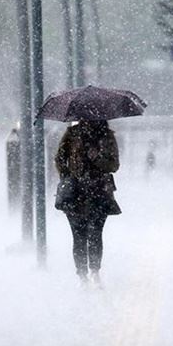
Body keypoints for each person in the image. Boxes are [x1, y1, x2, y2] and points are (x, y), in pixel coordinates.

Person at [55, 119, 121, 287]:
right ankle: (82, 275)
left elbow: (114, 165)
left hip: (99, 192)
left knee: (95, 234)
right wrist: (68, 176)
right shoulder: (72, 134)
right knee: (79, 235)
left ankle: (94, 271)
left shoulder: (107, 136)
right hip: (75, 193)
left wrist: (97, 158)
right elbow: (60, 158)